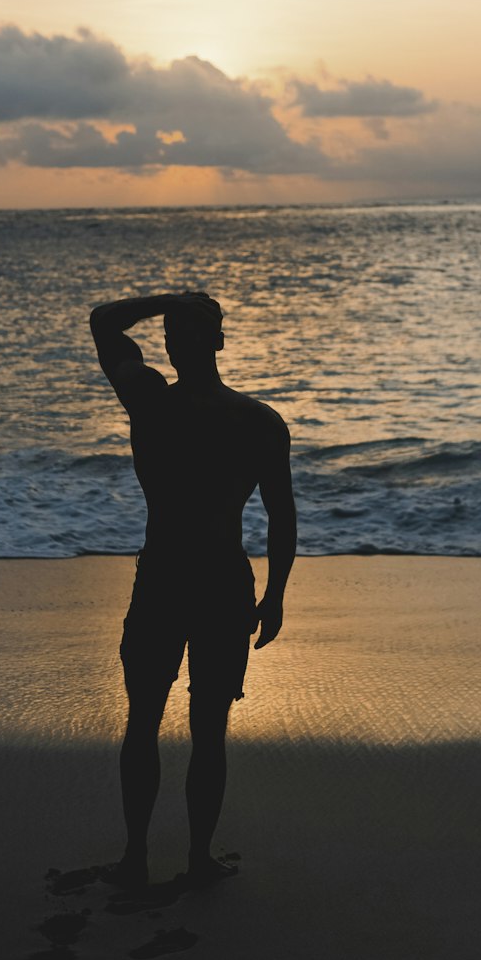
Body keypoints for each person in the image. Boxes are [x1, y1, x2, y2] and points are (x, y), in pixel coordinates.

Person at [89, 291, 297, 889]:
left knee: (144, 721)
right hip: (223, 583)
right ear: (220, 343)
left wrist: (164, 302)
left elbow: (103, 322)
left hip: (163, 577)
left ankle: (135, 858)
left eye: (175, 333)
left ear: (174, 345)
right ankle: (197, 858)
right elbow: (281, 518)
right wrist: (276, 594)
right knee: (207, 729)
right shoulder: (257, 421)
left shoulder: (150, 401)